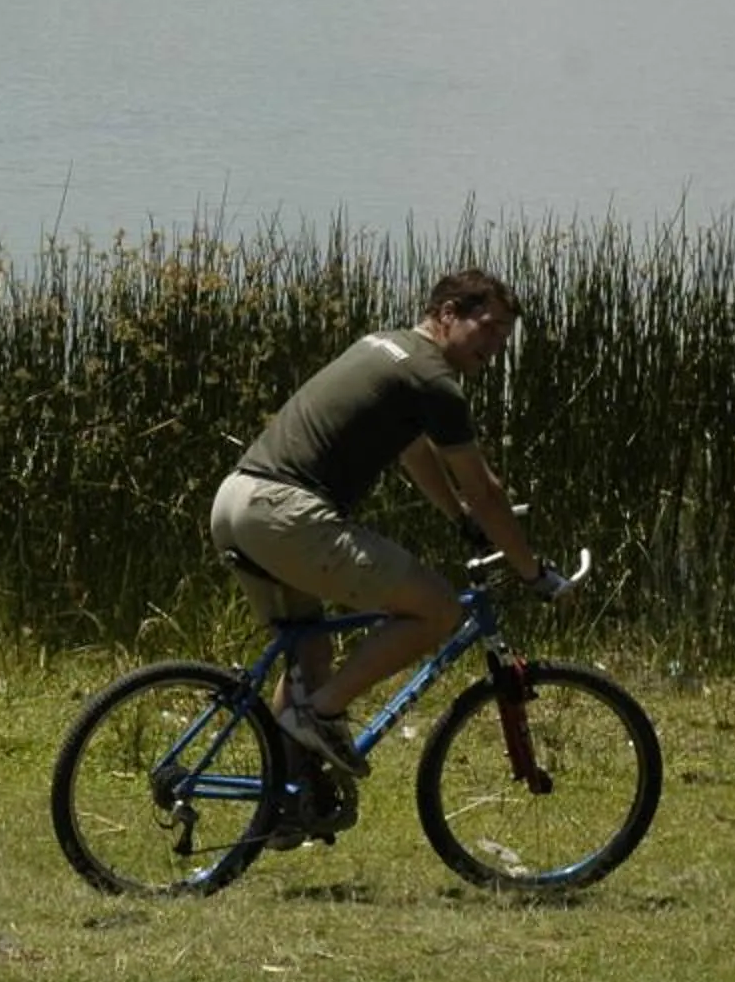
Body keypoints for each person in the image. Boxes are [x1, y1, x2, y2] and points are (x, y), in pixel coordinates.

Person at [209, 267, 569, 787]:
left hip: (238, 500)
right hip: (286, 512)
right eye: (488, 328)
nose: (496, 346)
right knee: (438, 608)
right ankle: (320, 715)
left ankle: (287, 802)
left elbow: (414, 451)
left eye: (504, 337)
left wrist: (458, 519)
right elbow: (486, 490)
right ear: (447, 315)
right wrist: (534, 572)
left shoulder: (385, 347)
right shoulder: (434, 380)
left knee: (308, 656)